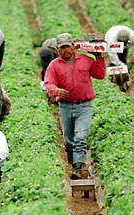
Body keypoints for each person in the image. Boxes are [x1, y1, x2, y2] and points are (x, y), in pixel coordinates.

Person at [44, 33, 106, 179]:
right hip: (65, 107)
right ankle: (74, 164)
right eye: (61, 48)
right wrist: (56, 90)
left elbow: (100, 75)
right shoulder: (54, 65)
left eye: (67, 47)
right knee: (68, 140)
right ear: (57, 50)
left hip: (84, 106)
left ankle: (78, 167)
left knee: (80, 137)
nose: (65, 51)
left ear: (73, 47)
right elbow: (48, 83)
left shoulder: (86, 60)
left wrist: (98, 57)